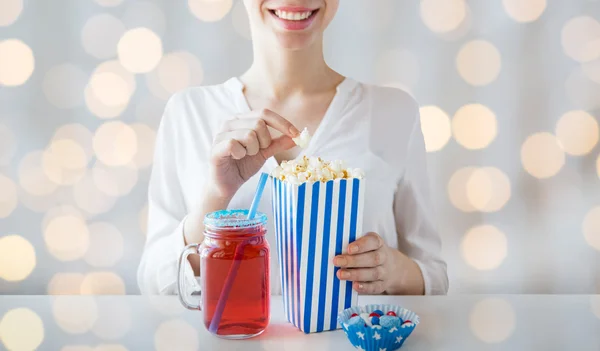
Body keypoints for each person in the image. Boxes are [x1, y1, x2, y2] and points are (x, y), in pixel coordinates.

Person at [137, 0, 448, 296]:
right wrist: (217, 195)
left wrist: (392, 269)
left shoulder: (394, 111)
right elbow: (154, 281)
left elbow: (434, 276)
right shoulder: (189, 112)